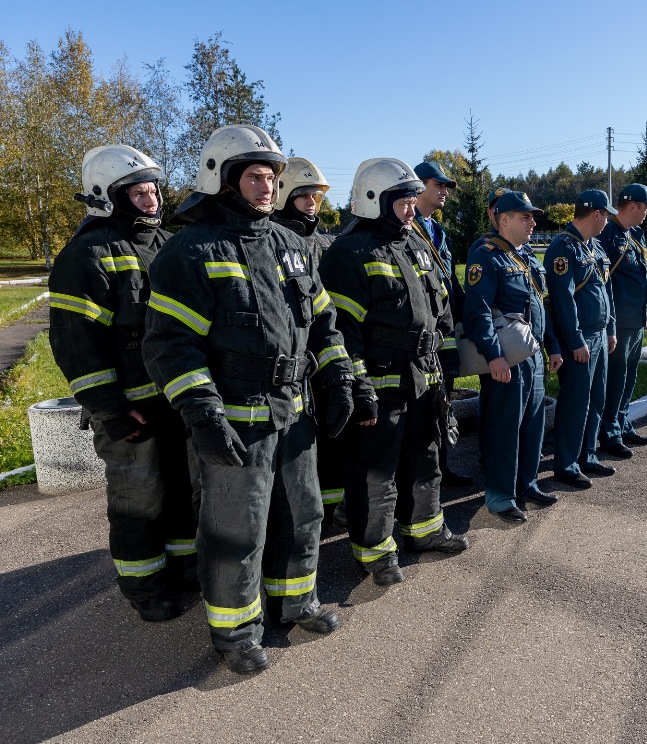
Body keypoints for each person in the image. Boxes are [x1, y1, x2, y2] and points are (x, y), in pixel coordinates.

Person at [143, 125, 352, 675]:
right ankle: (235, 630)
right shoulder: (190, 251)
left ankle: (296, 601)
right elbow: (170, 345)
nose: (269, 187)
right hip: (235, 420)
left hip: (294, 411)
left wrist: (339, 380)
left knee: (302, 512)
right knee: (238, 529)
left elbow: (324, 323)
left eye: (274, 177)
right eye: (257, 176)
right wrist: (202, 414)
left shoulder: (290, 244)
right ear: (223, 179)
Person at [48, 144, 197, 624]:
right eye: (138, 192)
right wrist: (108, 407)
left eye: (154, 190)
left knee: (181, 490)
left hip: (174, 398)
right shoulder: (87, 253)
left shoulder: (167, 245)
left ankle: (183, 568)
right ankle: (144, 587)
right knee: (138, 500)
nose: (152, 200)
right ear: (106, 196)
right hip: (130, 409)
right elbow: (75, 342)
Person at [318, 158, 468, 588]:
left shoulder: (416, 244)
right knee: (375, 473)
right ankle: (376, 552)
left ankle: (425, 531)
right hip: (381, 383)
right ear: (373, 201)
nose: (410, 207)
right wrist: (359, 388)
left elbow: (438, 310)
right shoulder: (349, 253)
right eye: (401, 201)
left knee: (426, 459)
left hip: (424, 377)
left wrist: (445, 358)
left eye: (410, 199)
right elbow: (343, 332)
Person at [463, 191, 562, 522]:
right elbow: (477, 313)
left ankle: (527, 485)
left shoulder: (528, 256)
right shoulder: (487, 256)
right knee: (505, 427)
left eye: (533, 216)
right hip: (507, 357)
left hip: (531, 354)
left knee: (532, 424)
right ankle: (501, 495)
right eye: (526, 217)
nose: (533, 222)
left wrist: (553, 347)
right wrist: (494, 356)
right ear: (503, 219)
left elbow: (538, 306)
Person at [272, 157, 346, 518]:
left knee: (331, 437)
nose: (312, 202)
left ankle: (328, 510)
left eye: (316, 196)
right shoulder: (268, 241)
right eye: (303, 195)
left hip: (324, 353)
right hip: (289, 359)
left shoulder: (326, 244)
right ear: (284, 196)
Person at [545, 189, 617, 487]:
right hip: (581, 337)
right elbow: (563, 301)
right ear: (596, 214)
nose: (607, 221)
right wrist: (575, 341)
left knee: (596, 398)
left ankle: (587, 455)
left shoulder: (596, 248)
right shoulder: (563, 248)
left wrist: (610, 328)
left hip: (599, 333)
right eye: (606, 215)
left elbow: (606, 291)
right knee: (576, 402)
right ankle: (567, 464)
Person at [412, 161, 473, 488]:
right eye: (439, 185)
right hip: (420, 334)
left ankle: (441, 468)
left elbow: (449, 280)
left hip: (443, 333)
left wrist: (467, 316)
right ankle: (418, 476)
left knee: (443, 403)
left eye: (446, 186)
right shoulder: (406, 229)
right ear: (419, 187)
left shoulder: (439, 231)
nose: (445, 192)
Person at [598, 183, 647, 459]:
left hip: (635, 317)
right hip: (618, 319)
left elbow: (643, 275)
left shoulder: (637, 234)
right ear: (633, 206)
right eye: (645, 208)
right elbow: (603, 282)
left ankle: (622, 423)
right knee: (616, 377)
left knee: (629, 375)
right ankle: (609, 433)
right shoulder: (608, 233)